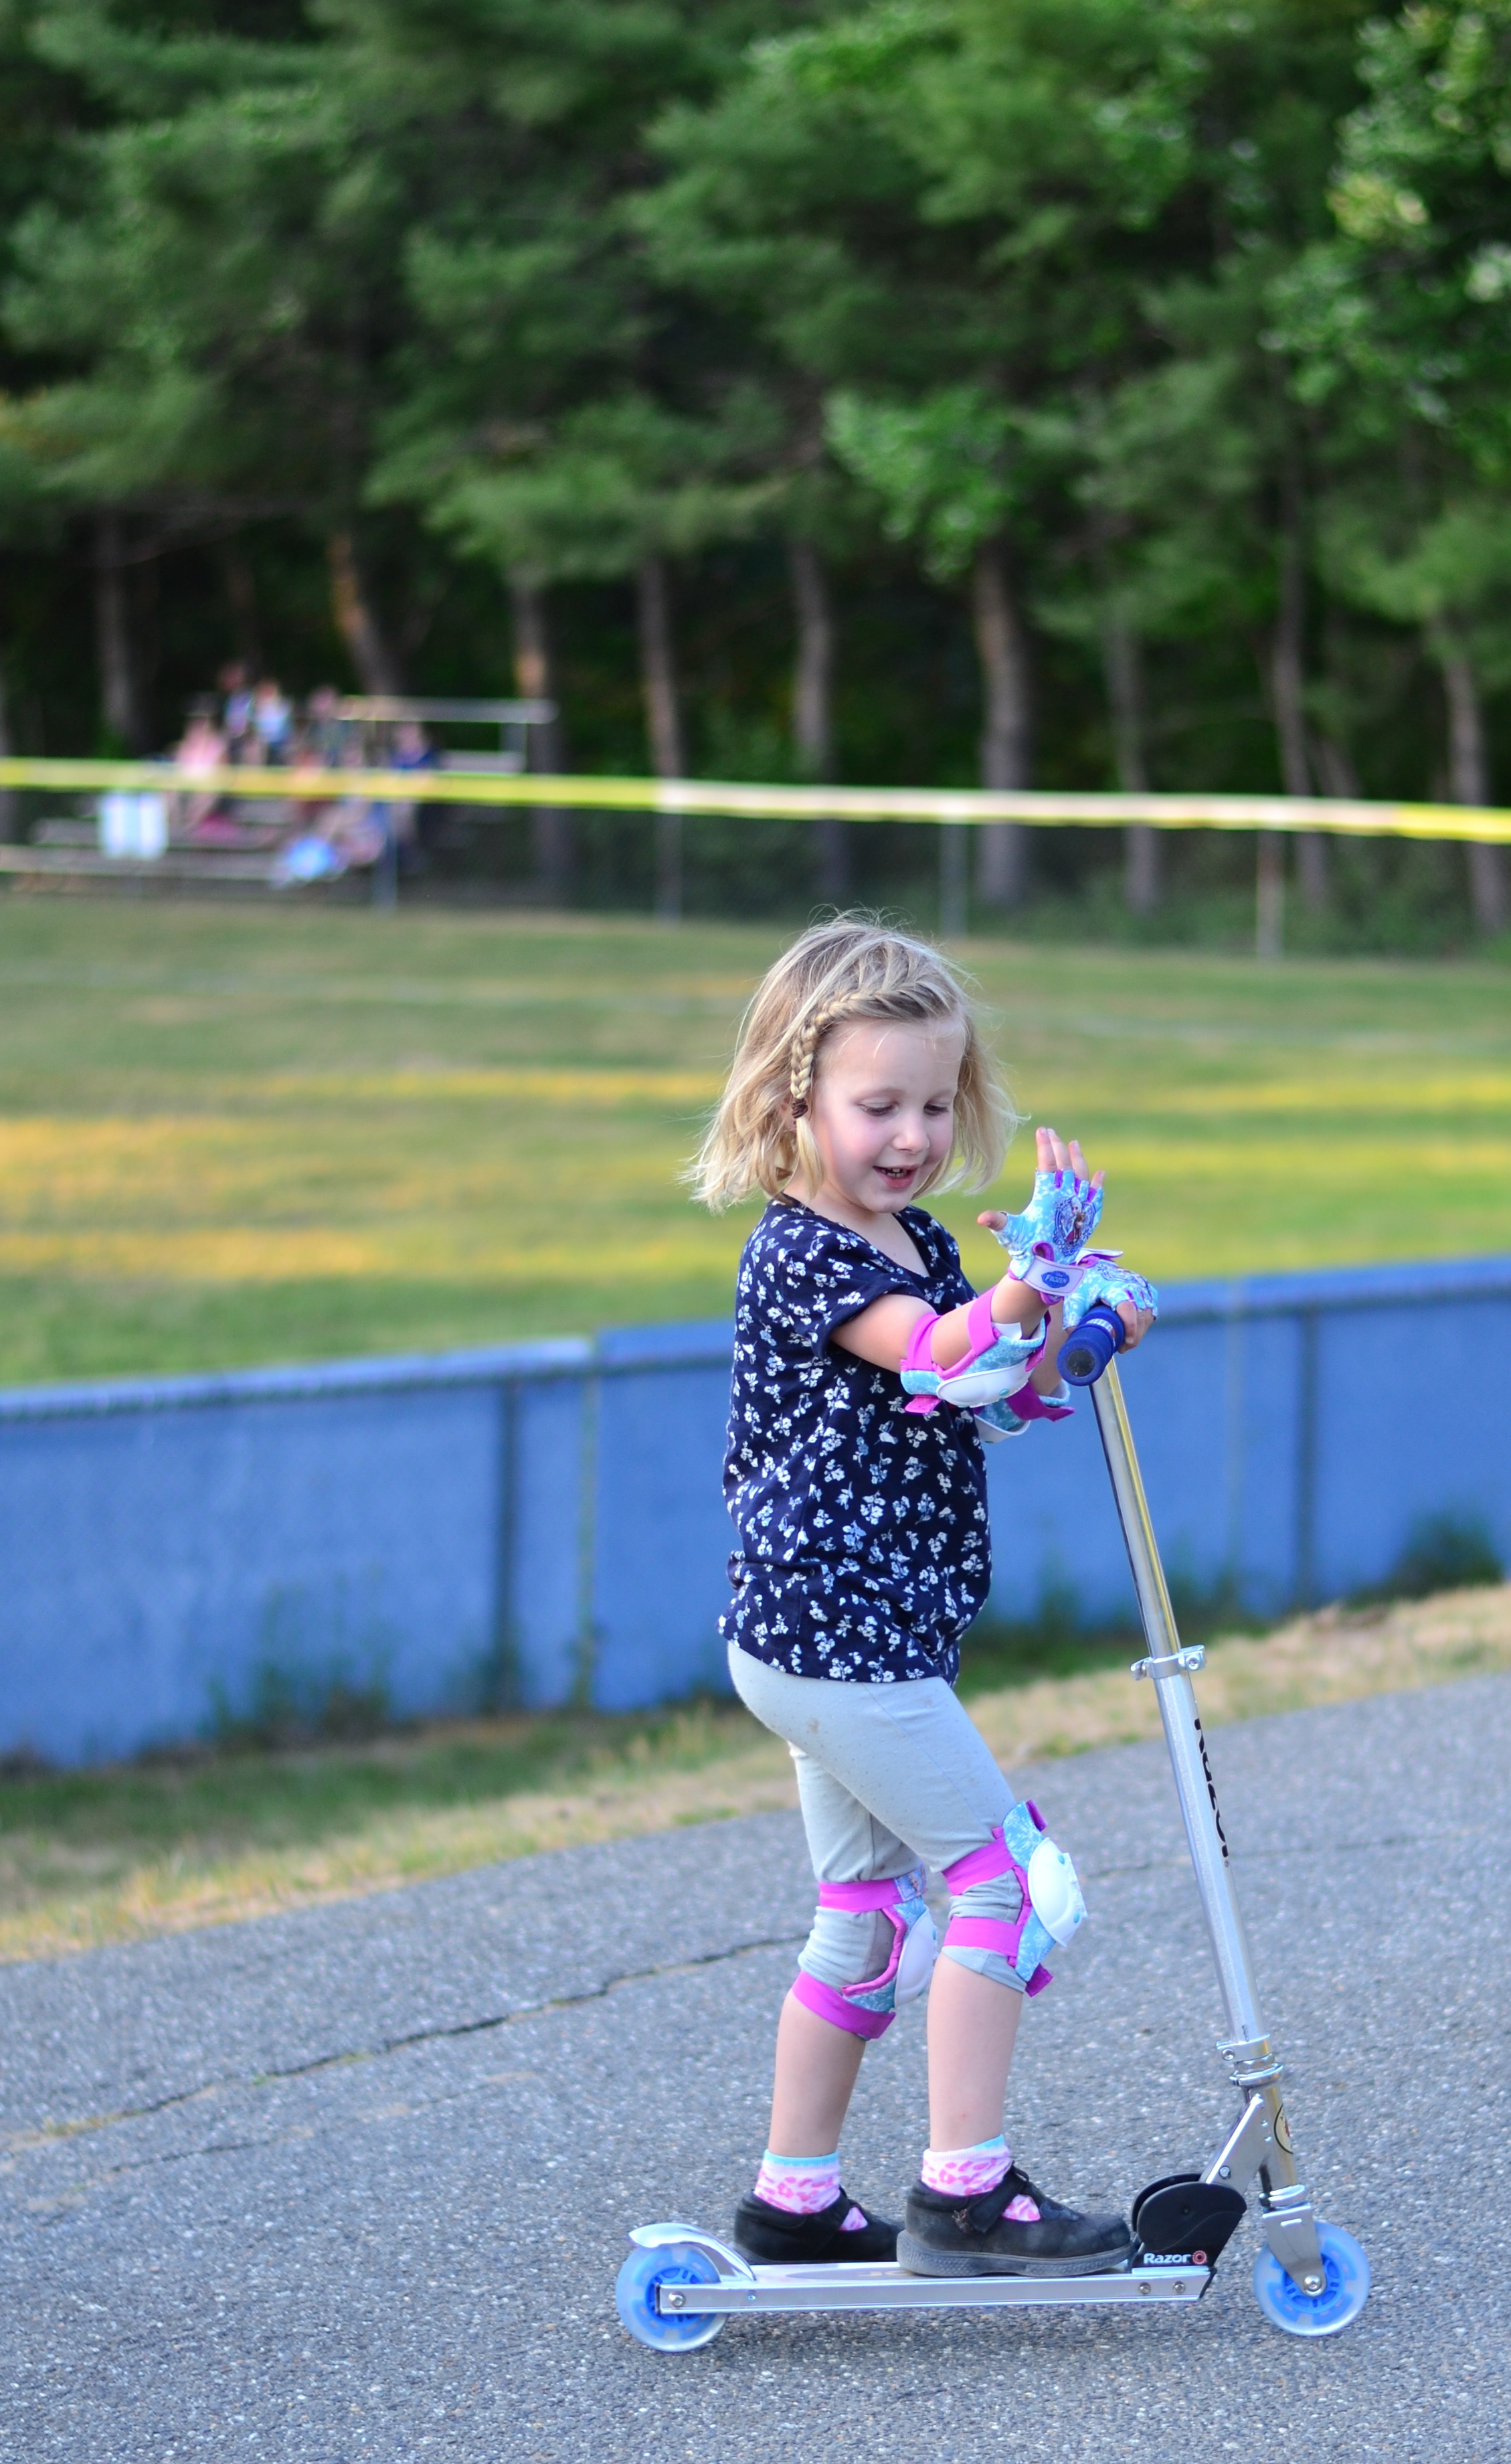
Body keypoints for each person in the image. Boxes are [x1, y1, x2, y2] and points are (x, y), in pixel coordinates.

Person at [692, 916, 1157, 2281]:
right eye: (876, 1104)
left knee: (869, 1918)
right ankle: (966, 2193)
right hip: (834, 1635)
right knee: (1008, 1884)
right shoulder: (805, 1253)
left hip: (850, 1632)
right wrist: (1023, 1283)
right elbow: (940, 1351)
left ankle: (793, 2198)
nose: (910, 1134)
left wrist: (1075, 1322)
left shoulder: (912, 1235)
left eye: (935, 1103)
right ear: (795, 1100)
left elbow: (989, 1390)